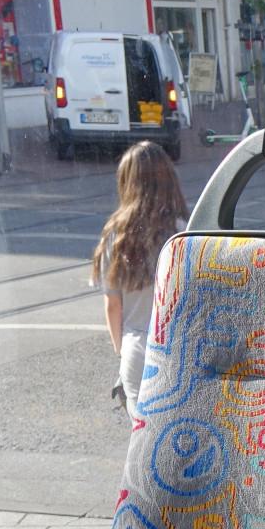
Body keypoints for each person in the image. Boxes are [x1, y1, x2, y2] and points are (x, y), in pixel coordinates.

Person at [92, 141, 188, 415]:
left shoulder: (116, 235)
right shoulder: (183, 230)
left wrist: (121, 351)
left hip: (136, 347)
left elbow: (113, 305)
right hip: (176, 347)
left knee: (142, 433)